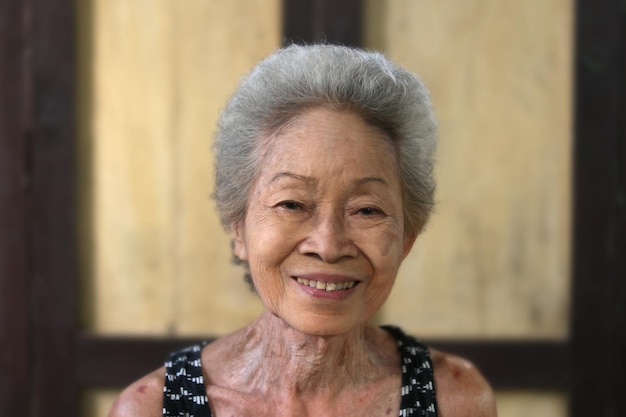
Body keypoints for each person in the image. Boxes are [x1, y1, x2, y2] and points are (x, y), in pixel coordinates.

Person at [109, 44, 497, 417]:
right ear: (239, 227)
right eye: (291, 204)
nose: (328, 245)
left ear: (407, 238)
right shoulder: (151, 409)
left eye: (366, 210)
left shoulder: (455, 400)